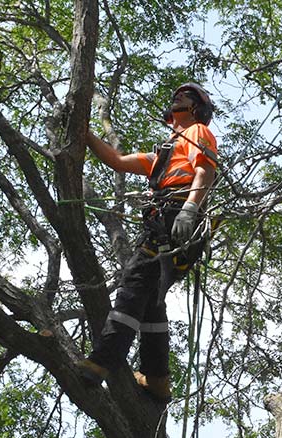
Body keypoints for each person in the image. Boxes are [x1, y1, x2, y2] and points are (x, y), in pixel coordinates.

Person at [75, 83, 218, 402]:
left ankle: (101, 362)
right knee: (152, 303)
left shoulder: (197, 132)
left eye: (187, 96)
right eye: (177, 95)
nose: (177, 97)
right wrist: (84, 134)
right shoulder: (166, 151)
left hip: (176, 219)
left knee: (133, 285)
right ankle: (157, 379)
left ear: (197, 108)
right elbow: (117, 160)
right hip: (165, 220)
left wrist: (190, 208)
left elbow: (204, 171)